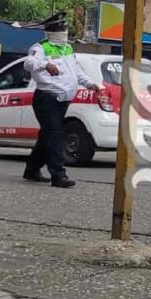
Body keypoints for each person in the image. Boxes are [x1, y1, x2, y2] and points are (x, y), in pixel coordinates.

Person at [22, 14, 103, 188]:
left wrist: (91, 84)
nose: (63, 33)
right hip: (47, 98)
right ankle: (58, 176)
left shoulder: (67, 49)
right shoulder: (40, 48)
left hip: (63, 100)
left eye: (64, 29)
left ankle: (32, 169)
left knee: (47, 135)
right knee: (55, 135)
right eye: (60, 29)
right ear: (50, 31)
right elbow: (28, 64)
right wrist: (45, 65)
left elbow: (76, 72)